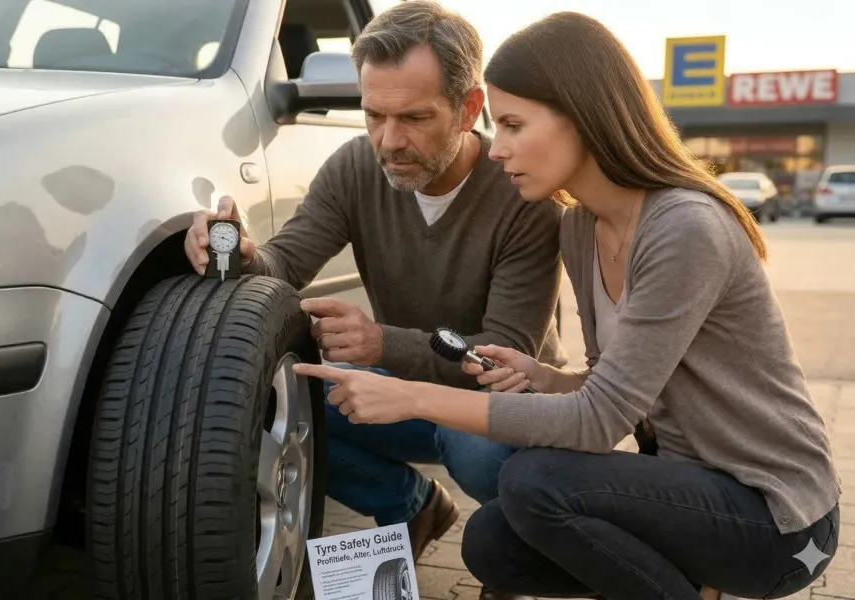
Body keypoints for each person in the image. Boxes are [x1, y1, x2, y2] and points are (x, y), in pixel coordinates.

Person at [291, 11, 842, 600]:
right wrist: (549, 378)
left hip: (777, 516)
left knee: (534, 481)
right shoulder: (581, 228)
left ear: (581, 117)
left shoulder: (685, 226)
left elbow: (597, 423)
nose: (496, 150)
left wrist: (407, 394)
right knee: (490, 543)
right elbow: (616, 395)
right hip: (686, 486)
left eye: (512, 125)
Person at [183, 0, 565, 578]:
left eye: (413, 118)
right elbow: (285, 264)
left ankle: (517, 558)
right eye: (373, 115)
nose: (388, 141)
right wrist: (240, 253)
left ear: (469, 109)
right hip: (403, 397)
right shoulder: (354, 168)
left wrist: (381, 344)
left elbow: (503, 353)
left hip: (501, 405)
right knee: (281, 402)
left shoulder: (521, 194)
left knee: (479, 453)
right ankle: (411, 508)